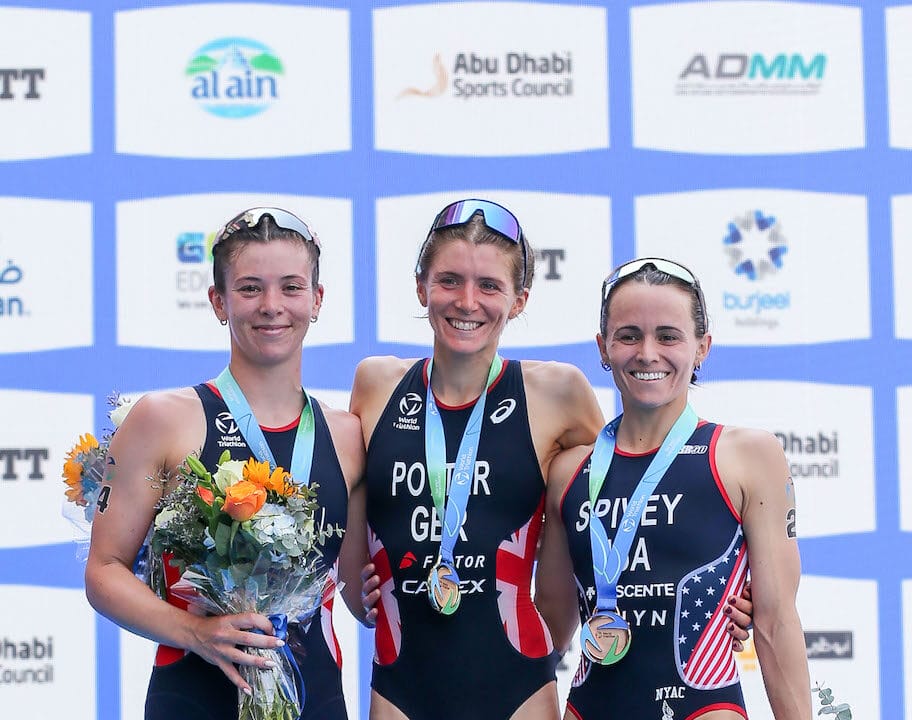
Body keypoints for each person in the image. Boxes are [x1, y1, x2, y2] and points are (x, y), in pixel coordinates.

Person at [351, 202, 753, 720]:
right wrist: (348, 587)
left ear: (519, 300)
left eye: (490, 286)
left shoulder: (557, 392)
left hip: (520, 688)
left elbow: (632, 488)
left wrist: (730, 591)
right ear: (420, 286)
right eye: (449, 280)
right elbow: (343, 509)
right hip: (399, 690)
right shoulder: (376, 384)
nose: (467, 301)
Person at [84, 208, 366, 720]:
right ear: (219, 301)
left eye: (292, 287)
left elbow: (358, 593)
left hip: (317, 699)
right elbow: (103, 572)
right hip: (193, 697)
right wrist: (195, 632)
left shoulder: (347, 434)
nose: (272, 306)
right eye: (250, 288)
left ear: (317, 300)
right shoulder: (163, 419)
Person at [535, 258, 810, 719]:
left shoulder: (747, 456)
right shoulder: (568, 471)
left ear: (702, 347)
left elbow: (776, 623)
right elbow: (548, 628)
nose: (647, 353)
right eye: (628, 336)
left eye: (668, 336)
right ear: (603, 347)